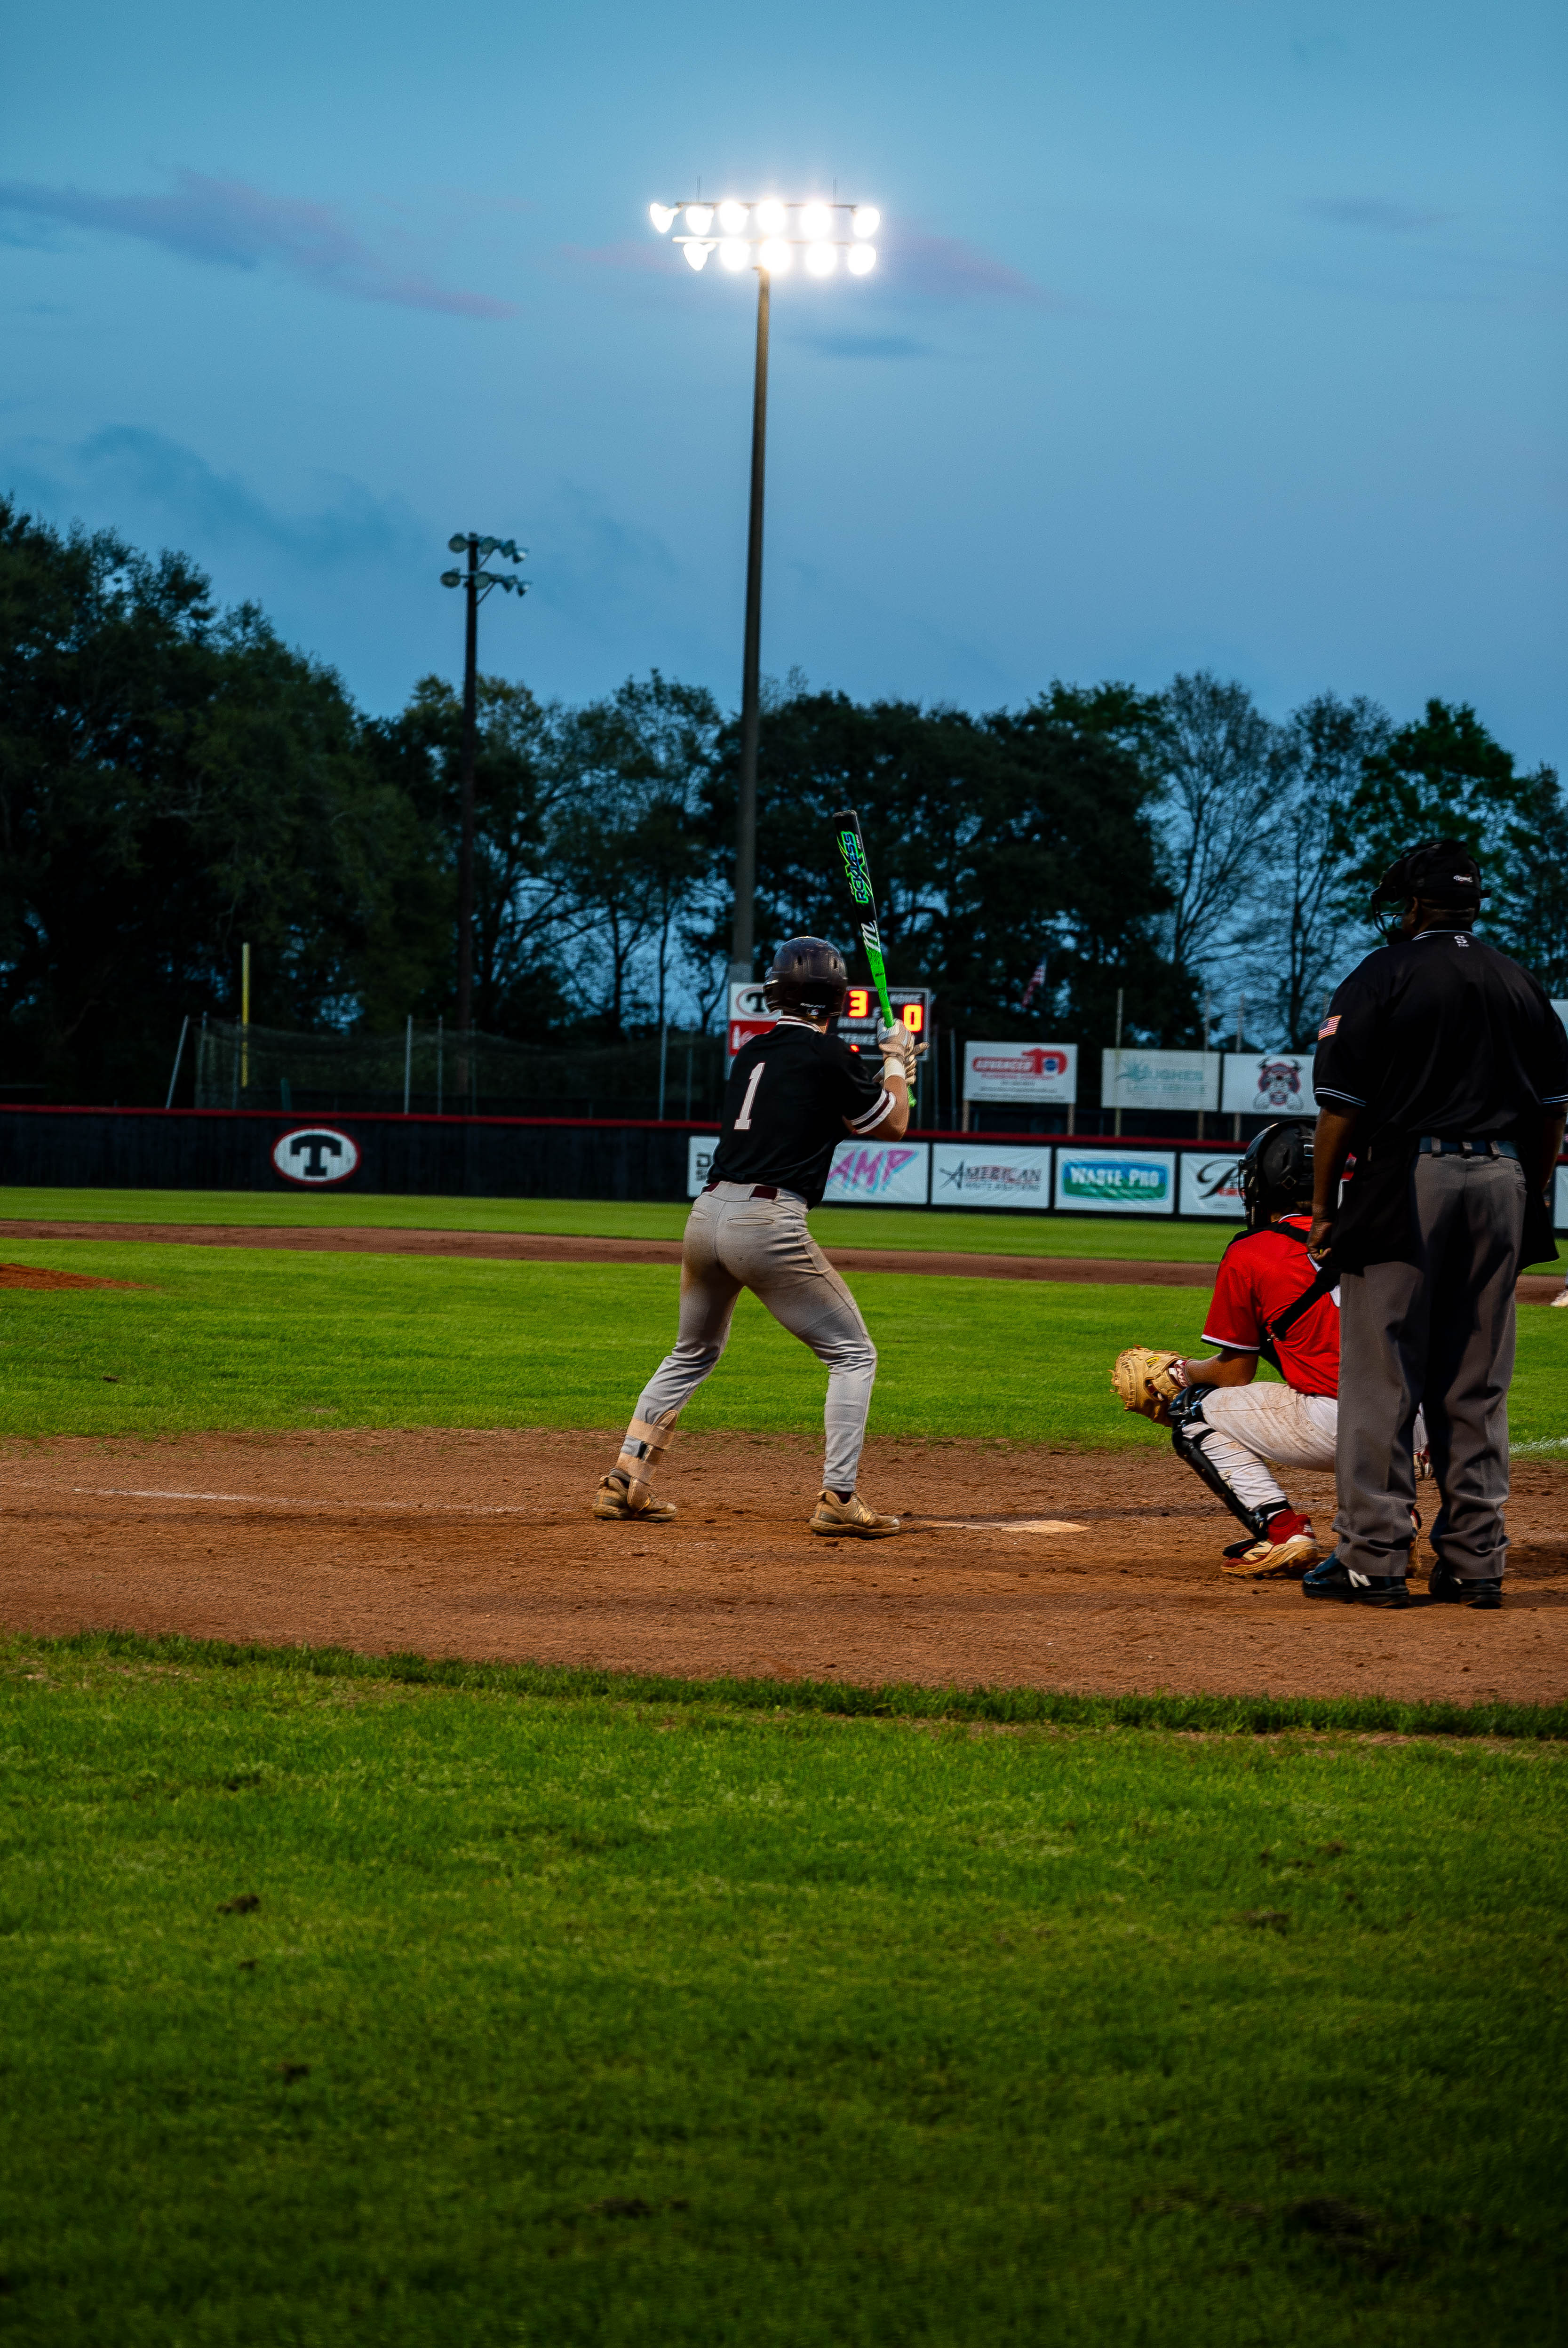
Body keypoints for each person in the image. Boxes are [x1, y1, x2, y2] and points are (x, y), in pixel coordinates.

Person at [1303, 839, 1568, 1611]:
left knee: (1382, 1375)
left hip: (1409, 1179)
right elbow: (1553, 1112)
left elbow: (1339, 1111)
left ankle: (1372, 1557)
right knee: (1476, 1379)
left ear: (1414, 904)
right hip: (1504, 1179)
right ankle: (1476, 1560)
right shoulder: (1518, 980)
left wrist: (1323, 1209)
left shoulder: (1381, 973)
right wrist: (1527, 1189)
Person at [593, 937, 920, 1538]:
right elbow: (893, 1123)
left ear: (777, 992)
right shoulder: (829, 1052)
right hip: (766, 1222)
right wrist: (896, 1060)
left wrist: (886, 1077)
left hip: (706, 1215)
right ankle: (839, 1497)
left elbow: (841, 1114)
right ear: (835, 999)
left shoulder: (753, 1053)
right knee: (853, 1354)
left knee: (691, 1352)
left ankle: (625, 1481)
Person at [1166, 1122, 1363, 1577]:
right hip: (1426, 1426)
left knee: (1191, 1411)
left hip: (1342, 1427)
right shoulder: (1380, 1234)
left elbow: (1234, 1372)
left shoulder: (1252, 1250)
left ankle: (1282, 1531)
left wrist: (1181, 1371)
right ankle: (1394, 1528)